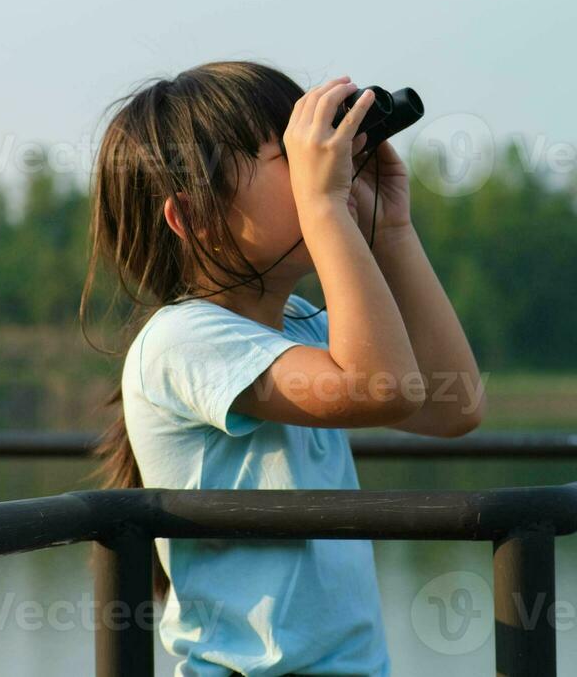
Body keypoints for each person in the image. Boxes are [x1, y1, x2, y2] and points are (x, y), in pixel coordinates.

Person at [79, 60, 485, 676]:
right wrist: (324, 206)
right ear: (193, 218)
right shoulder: (183, 340)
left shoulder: (295, 325)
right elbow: (382, 391)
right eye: (291, 159)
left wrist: (392, 229)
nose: (323, 170)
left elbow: (452, 405)